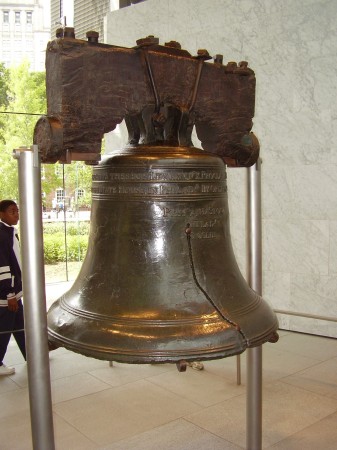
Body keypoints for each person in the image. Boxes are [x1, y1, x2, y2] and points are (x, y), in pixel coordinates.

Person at [0, 200, 26, 375]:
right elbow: (3, 266)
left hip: (14, 291)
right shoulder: (2, 235)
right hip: (7, 293)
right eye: (12, 212)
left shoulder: (9, 231)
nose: (16, 215)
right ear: (1, 214)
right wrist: (9, 294)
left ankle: (31, 353)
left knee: (20, 324)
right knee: (5, 328)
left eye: (17, 211)